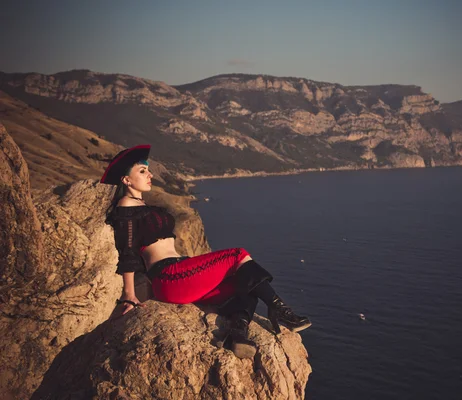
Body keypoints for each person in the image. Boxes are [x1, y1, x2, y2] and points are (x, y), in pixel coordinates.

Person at [101, 144, 311, 359]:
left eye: (148, 170)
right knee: (237, 254)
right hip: (169, 276)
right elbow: (127, 252)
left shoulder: (140, 204)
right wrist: (129, 295)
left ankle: (237, 334)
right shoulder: (126, 205)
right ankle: (281, 310)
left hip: (181, 276)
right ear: (126, 180)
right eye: (142, 171)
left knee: (247, 287)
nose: (150, 174)